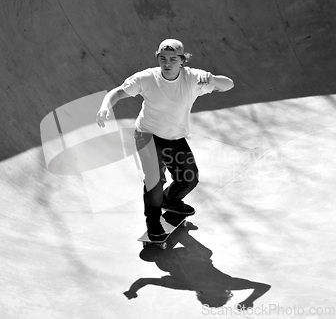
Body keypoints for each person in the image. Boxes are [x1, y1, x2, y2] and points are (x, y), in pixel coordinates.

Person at [96, 39, 234, 241]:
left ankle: (170, 200)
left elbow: (229, 85)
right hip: (147, 135)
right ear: (158, 59)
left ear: (182, 61)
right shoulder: (147, 78)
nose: (167, 64)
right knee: (154, 182)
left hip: (174, 137)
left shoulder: (193, 78)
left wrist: (212, 78)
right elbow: (117, 92)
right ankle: (153, 222)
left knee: (189, 178)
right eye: (162, 59)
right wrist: (105, 106)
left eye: (172, 59)